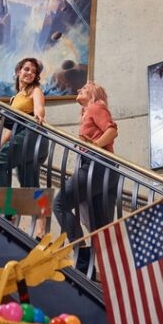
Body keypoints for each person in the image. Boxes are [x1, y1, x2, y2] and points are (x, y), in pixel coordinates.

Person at [53, 81, 119, 273]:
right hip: (103, 168)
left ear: (93, 94)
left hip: (97, 164)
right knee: (100, 227)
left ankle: (82, 254)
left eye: (84, 89)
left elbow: (112, 130)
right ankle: (103, 270)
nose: (79, 90)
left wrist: (95, 146)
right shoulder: (87, 112)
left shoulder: (95, 107)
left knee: (59, 203)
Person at [0, 57, 49, 236]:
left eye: (33, 71)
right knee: (31, 187)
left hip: (31, 133)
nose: (30, 73)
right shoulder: (15, 98)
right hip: (22, 137)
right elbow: (9, 130)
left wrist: (39, 116)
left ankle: (9, 209)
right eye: (27, 69)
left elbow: (39, 107)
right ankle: (41, 231)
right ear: (18, 71)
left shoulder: (34, 90)